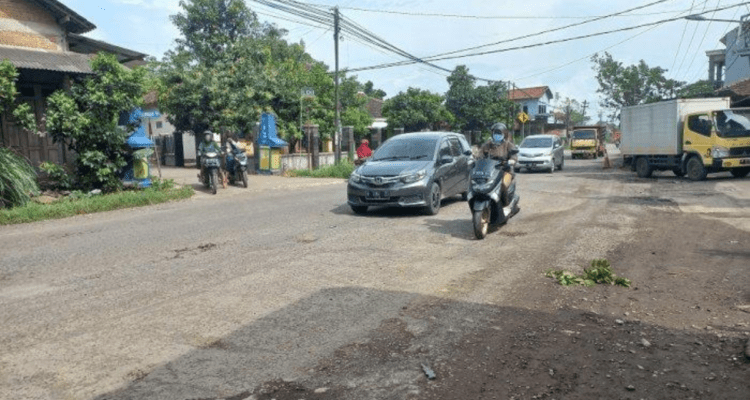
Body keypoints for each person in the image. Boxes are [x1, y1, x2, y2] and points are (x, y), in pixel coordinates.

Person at [480, 122, 519, 210]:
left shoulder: (508, 145)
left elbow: (514, 156)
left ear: (504, 134)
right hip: (490, 171)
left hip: (505, 171)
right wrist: (473, 158)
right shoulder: (488, 145)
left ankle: (505, 204)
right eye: (495, 133)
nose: (497, 135)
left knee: (503, 185)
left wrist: (511, 161)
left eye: (499, 133)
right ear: (492, 134)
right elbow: (480, 154)